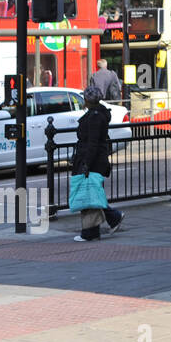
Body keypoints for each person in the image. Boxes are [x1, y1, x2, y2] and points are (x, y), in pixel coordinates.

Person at [72, 86, 125, 242]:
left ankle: (91, 232)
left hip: (92, 161)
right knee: (93, 193)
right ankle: (112, 218)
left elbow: (93, 143)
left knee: (89, 194)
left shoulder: (95, 116)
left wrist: (86, 163)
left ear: (88, 100)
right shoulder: (98, 113)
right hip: (94, 159)